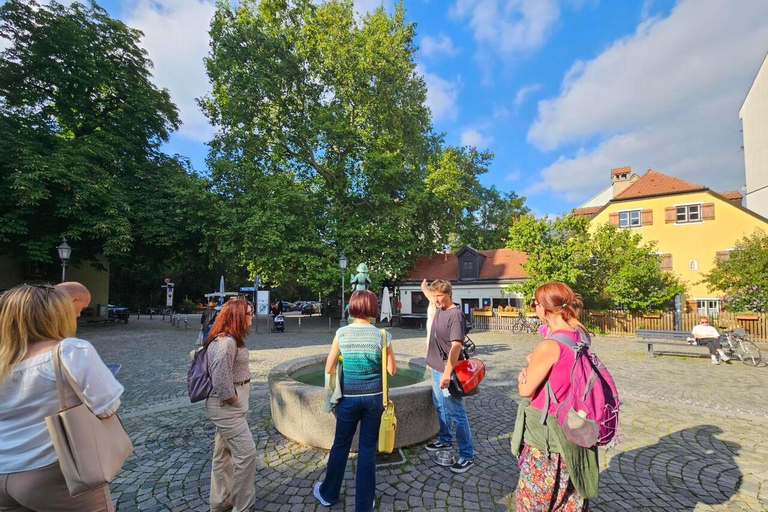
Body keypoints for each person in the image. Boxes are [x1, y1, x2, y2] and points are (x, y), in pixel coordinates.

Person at [0, 284, 124, 512]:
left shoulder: (4, 358)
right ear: (55, 314)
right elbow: (107, 407)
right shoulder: (70, 350)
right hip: (52, 470)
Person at [512, 282, 599, 511]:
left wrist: (525, 373)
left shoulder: (550, 345)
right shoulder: (580, 334)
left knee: (533, 502)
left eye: (534, 303)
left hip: (549, 437)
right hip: (575, 425)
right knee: (568, 500)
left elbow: (526, 390)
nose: (533, 307)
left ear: (544, 308)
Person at [313, 290, 396, 512]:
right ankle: (364, 503)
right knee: (368, 449)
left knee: (340, 445)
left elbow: (329, 367)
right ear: (372, 309)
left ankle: (328, 494)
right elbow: (392, 370)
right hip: (374, 400)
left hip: (349, 399)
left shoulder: (342, 333)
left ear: (352, 307)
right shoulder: (382, 335)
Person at [204, 298, 256, 512]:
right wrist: (234, 399)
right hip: (226, 405)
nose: (252, 316)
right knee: (247, 453)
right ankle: (241, 506)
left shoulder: (229, 339)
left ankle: (220, 502)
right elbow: (220, 378)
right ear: (237, 316)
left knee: (223, 453)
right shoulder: (226, 342)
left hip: (229, 404)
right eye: (249, 312)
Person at [423, 279, 475, 473]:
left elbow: (456, 346)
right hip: (437, 368)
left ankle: (466, 455)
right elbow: (430, 295)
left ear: (449, 294)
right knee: (440, 405)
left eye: (439, 296)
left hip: (448, 371)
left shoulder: (455, 314)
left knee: (456, 412)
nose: (435, 299)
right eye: (434, 296)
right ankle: (445, 440)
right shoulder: (439, 308)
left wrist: (446, 373)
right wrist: (424, 288)